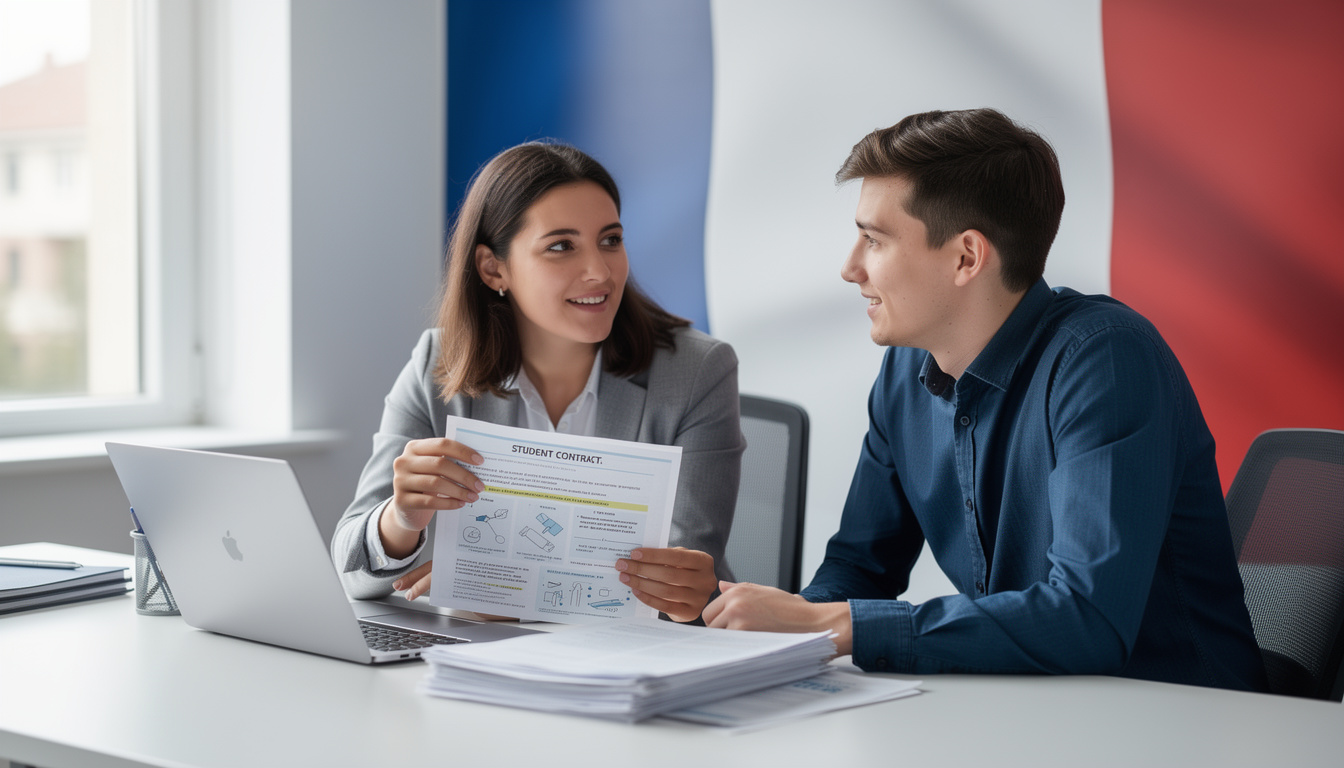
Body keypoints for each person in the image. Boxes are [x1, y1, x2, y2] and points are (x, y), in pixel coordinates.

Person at [704, 108, 1268, 691]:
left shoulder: (1105, 360)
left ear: (967, 257)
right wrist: (773, 626)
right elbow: (858, 570)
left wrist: (835, 623)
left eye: (874, 239)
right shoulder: (905, 369)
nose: (850, 268)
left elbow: (1087, 619)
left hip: (1182, 720)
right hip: (1040, 712)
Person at [332, 142, 744, 623]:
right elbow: (350, 574)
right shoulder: (438, 363)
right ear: (493, 269)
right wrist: (401, 520)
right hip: (475, 660)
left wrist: (498, 587)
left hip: (625, 664)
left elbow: (681, 579)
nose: (600, 272)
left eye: (610, 240)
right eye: (561, 247)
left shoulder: (698, 371)